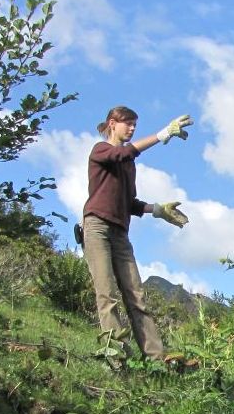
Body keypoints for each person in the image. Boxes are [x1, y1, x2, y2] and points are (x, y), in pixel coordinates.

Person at [81, 105, 193, 367]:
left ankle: (155, 360)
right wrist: (162, 134)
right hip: (96, 226)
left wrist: (157, 209)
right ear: (112, 123)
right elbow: (123, 153)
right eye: (127, 124)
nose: (131, 129)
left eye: (134, 125)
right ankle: (115, 358)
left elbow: (129, 202)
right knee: (106, 293)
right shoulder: (101, 150)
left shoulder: (128, 165)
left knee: (136, 295)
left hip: (120, 232)